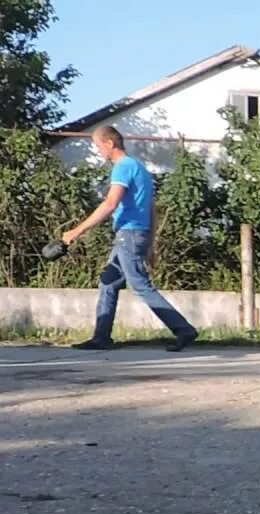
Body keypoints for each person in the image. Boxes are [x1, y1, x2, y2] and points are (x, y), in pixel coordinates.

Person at [60, 126, 198, 352]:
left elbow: (110, 204)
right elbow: (152, 209)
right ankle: (101, 337)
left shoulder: (122, 168)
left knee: (140, 285)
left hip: (129, 235)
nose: (97, 151)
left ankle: (183, 329)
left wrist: (76, 231)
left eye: (97, 146)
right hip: (135, 234)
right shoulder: (139, 169)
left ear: (109, 144)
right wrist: (150, 244)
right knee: (108, 282)